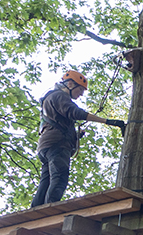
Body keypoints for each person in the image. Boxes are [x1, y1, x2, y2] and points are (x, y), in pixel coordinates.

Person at [31, 70, 125, 207]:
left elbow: (59, 121)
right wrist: (107, 121)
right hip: (57, 145)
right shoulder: (60, 96)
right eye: (80, 90)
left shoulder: (50, 98)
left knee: (46, 181)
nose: (81, 94)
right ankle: (49, 211)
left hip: (46, 146)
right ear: (70, 84)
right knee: (59, 178)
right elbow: (75, 112)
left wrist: (76, 136)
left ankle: (35, 210)